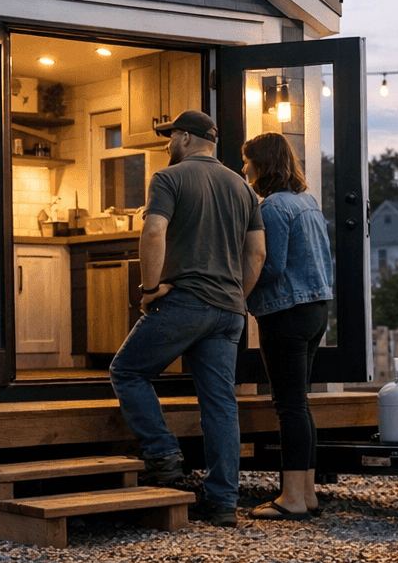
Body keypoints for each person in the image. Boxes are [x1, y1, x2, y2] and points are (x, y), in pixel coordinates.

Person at [109, 110, 266, 527]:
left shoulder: (168, 178)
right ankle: (222, 503)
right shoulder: (243, 187)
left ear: (183, 138)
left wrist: (149, 289)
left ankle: (162, 455)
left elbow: (153, 232)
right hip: (229, 311)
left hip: (185, 301)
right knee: (220, 404)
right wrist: (235, 297)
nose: (167, 143)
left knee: (127, 370)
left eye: (170, 136)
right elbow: (257, 253)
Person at [241, 131, 335, 521]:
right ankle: (306, 494)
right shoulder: (306, 202)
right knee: (299, 404)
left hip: (286, 312)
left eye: (247, 160)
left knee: (289, 406)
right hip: (315, 310)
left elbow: (271, 265)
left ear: (261, 165)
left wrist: (236, 284)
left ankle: (293, 498)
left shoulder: (273, 207)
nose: (244, 167)